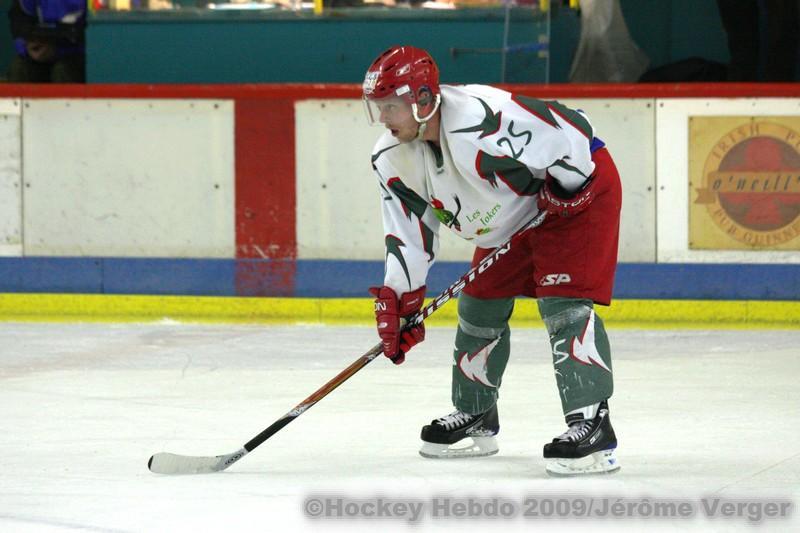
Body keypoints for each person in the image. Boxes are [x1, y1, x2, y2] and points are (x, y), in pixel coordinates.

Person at [363, 45, 622, 476]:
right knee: (479, 303)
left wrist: (569, 187)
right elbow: (408, 237)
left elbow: (573, 129)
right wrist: (401, 302)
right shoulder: (391, 157)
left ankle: (592, 423)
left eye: (391, 106)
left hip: (577, 199)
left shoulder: (481, 117)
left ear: (423, 99)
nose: (383, 118)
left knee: (564, 304)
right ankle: (476, 413)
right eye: (378, 107)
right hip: (514, 215)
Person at [8, 0, 86, 83]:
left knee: (62, 70)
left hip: (76, 54)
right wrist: (28, 47)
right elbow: (19, 25)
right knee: (19, 67)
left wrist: (57, 49)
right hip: (41, 53)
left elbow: (90, 33)